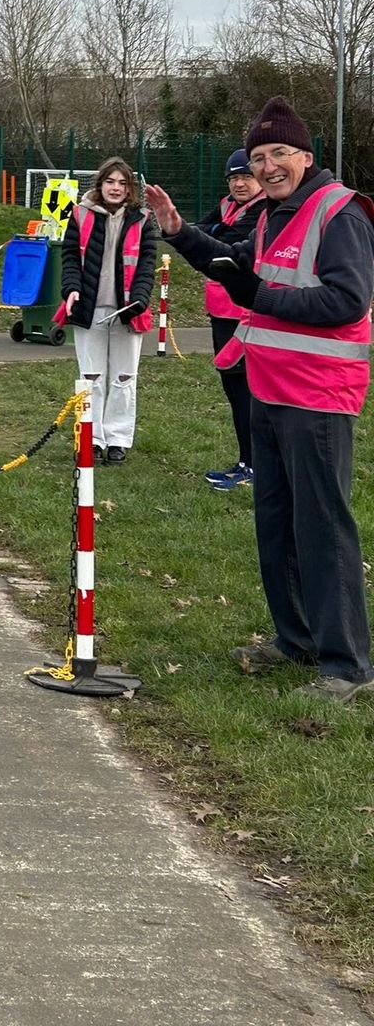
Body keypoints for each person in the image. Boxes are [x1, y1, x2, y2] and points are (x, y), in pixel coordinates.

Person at [146, 96, 374, 704]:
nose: (268, 165)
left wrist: (259, 296)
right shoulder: (274, 215)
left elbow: (346, 302)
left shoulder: (339, 213)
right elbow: (235, 266)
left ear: (305, 155)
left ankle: (346, 665)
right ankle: (294, 639)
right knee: (276, 522)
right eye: (259, 155)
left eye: (279, 154)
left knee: (323, 527)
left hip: (319, 397)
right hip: (269, 391)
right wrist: (178, 233)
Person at [59, 157, 158, 465]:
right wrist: (71, 288)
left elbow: (146, 264)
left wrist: (140, 296)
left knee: (124, 377)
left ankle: (117, 439)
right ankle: (92, 438)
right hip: (90, 310)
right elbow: (70, 258)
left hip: (128, 310)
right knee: (91, 377)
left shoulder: (143, 219)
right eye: (110, 182)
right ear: (100, 184)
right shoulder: (80, 215)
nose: (116, 188)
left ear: (130, 188)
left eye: (122, 183)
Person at [196, 150, 267, 489]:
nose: (239, 183)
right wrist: (215, 231)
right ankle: (247, 460)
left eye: (246, 177)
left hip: (244, 313)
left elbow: (223, 244)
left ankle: (254, 465)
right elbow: (202, 234)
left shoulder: (265, 210)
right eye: (233, 178)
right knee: (232, 387)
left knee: (246, 390)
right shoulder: (228, 207)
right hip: (219, 309)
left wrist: (214, 233)